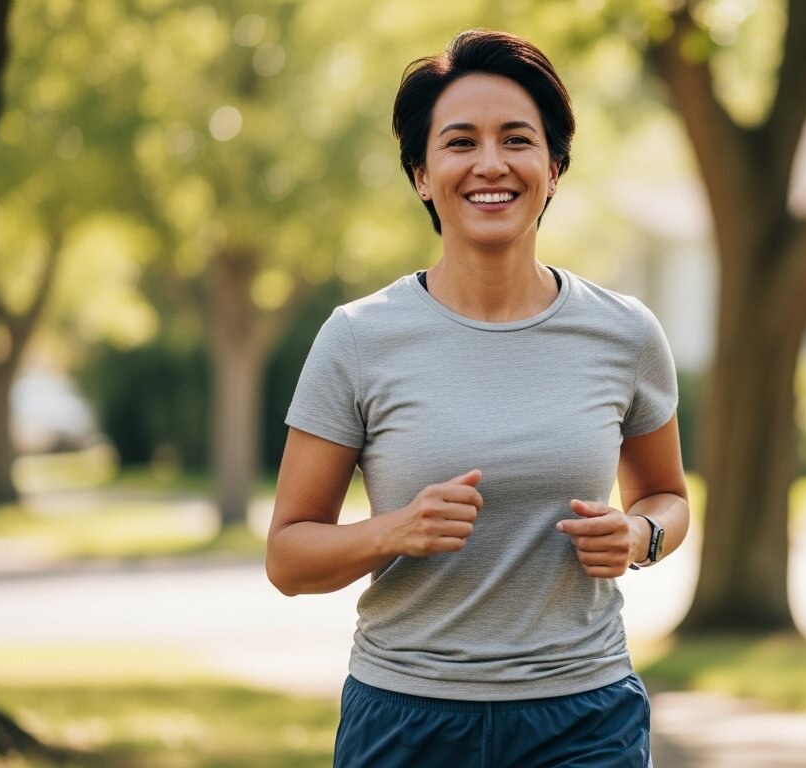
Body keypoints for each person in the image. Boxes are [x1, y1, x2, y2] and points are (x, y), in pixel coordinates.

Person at [265, 30, 688, 767]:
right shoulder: (358, 339)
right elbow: (289, 557)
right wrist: (390, 532)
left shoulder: (624, 333)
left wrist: (641, 538)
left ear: (553, 168)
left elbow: (667, 497)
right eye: (460, 143)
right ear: (422, 174)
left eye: (517, 140)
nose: (490, 164)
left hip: (583, 720)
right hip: (406, 719)